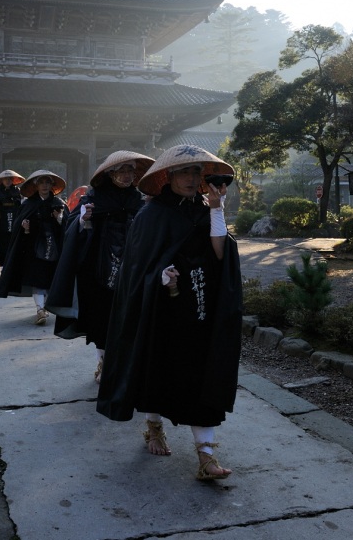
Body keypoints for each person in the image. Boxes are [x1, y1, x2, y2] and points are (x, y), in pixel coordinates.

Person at [96, 145, 243, 481]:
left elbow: (220, 254)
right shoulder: (152, 216)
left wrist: (217, 210)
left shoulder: (205, 210)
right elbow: (138, 269)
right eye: (185, 172)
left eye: (197, 173)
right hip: (161, 310)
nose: (193, 179)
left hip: (199, 307)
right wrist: (159, 275)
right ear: (169, 176)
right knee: (155, 371)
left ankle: (206, 456)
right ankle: (153, 426)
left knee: (201, 375)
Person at [46, 150, 154, 383]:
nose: (127, 175)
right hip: (100, 269)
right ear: (111, 173)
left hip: (134, 268)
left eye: (131, 170)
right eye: (122, 170)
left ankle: (126, 365)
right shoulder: (94, 198)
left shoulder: (140, 199)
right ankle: (104, 362)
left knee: (131, 318)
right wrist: (83, 220)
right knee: (103, 319)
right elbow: (72, 227)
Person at [0, 169, 68, 325]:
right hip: (33, 248)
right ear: (36, 185)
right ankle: (40, 309)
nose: (44, 185)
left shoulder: (58, 204)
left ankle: (45, 306)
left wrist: (60, 219)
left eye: (47, 182)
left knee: (50, 278)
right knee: (37, 279)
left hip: (54, 247)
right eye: (41, 182)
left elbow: (67, 227)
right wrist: (24, 227)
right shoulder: (29, 204)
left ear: (52, 185)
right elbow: (18, 226)